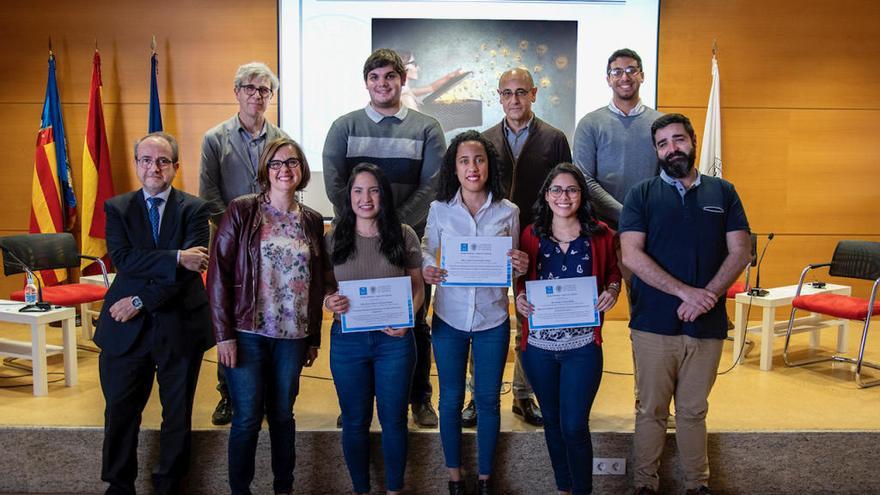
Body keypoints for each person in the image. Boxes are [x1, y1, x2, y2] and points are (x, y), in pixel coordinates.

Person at [619, 114, 751, 495]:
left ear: (693, 141)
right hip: (652, 325)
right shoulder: (640, 194)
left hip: (707, 326)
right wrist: (685, 293)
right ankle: (645, 485)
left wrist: (706, 295)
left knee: (694, 412)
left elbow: (740, 250)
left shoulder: (723, 192)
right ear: (656, 151)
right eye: (662, 144)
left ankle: (698, 486)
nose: (671, 149)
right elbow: (632, 255)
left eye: (678, 140)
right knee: (651, 411)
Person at [323, 48, 446, 428]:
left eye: (389, 76)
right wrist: (363, 223)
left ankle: (419, 397)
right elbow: (335, 182)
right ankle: (354, 404)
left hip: (404, 239)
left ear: (402, 80)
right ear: (366, 82)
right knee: (355, 318)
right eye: (374, 77)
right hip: (355, 239)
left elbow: (433, 184)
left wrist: (392, 224)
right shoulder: (345, 126)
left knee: (413, 321)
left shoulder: (427, 128)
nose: (382, 84)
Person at [95, 131, 213, 494]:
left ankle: (169, 484)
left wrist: (139, 300)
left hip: (179, 323)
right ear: (136, 165)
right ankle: (118, 484)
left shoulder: (195, 209)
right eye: (146, 159)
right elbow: (125, 260)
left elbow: (188, 277)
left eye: (162, 160)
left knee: (176, 414)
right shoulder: (118, 208)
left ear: (176, 166)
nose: (153, 167)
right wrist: (177, 257)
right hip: (125, 330)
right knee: (119, 411)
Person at [207, 137, 326, 495]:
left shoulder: (313, 221)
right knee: (245, 418)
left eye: (291, 162)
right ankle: (240, 490)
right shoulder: (242, 211)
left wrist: (314, 337)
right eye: (275, 163)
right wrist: (223, 335)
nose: (284, 170)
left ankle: (283, 488)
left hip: (293, 336)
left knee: (282, 416)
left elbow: (318, 280)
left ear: (302, 170)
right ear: (265, 170)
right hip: (247, 333)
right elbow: (218, 275)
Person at [421, 130, 529, 495]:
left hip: (492, 319)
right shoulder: (439, 210)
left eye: (479, 159)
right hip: (449, 318)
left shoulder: (508, 211)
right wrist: (427, 268)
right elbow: (425, 251)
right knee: (449, 399)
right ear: (454, 166)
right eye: (464, 161)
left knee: (486, 399)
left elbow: (513, 267)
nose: (472, 167)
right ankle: (455, 479)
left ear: (489, 165)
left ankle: (485, 479)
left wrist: (521, 263)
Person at [474, 67, 573, 427]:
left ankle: (523, 395)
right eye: (507, 93)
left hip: (538, 240)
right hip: (492, 243)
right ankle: (478, 395)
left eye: (521, 92)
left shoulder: (554, 138)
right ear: (498, 97)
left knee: (529, 321)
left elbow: (566, 189)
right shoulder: (483, 140)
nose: (514, 100)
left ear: (534, 93)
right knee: (480, 318)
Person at [514, 163, 621, 495]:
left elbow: (614, 273)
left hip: (583, 346)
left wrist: (613, 292)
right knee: (553, 423)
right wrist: (518, 297)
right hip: (539, 350)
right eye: (557, 190)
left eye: (572, 190)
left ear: (582, 195)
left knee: (574, 425)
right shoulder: (531, 234)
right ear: (547, 195)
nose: (564, 196)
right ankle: (564, 487)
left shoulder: (602, 234)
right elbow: (520, 278)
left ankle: (582, 490)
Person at [323, 163, 425, 495]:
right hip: (347, 342)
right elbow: (322, 288)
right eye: (357, 191)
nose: (365, 198)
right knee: (354, 423)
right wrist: (329, 302)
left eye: (373, 190)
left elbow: (418, 287)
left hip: (394, 343)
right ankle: (361, 490)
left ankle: (394, 490)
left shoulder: (404, 233)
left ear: (383, 194)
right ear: (348, 196)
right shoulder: (334, 236)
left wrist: (408, 318)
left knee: (394, 421)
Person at [199, 61, 288, 425]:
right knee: (231, 319)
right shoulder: (214, 139)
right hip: (230, 244)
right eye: (250, 88)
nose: (256, 95)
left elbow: (285, 188)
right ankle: (227, 395)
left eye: (264, 90)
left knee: (266, 317)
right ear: (236, 92)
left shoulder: (282, 139)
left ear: (271, 96)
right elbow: (208, 195)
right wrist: (239, 233)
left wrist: (263, 237)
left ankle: (264, 393)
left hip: (272, 246)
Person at [573, 48, 662, 231]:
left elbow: (667, 178)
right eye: (617, 72)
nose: (625, 77)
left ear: (642, 76)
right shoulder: (590, 123)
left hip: (650, 224)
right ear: (608, 79)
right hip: (601, 227)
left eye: (631, 70)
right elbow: (584, 179)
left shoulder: (661, 124)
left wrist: (642, 216)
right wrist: (627, 214)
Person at [395, 49, 464, 111]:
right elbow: (418, 125)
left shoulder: (404, 91)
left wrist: (450, 76)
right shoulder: (406, 98)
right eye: (414, 63)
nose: (418, 68)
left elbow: (431, 87)